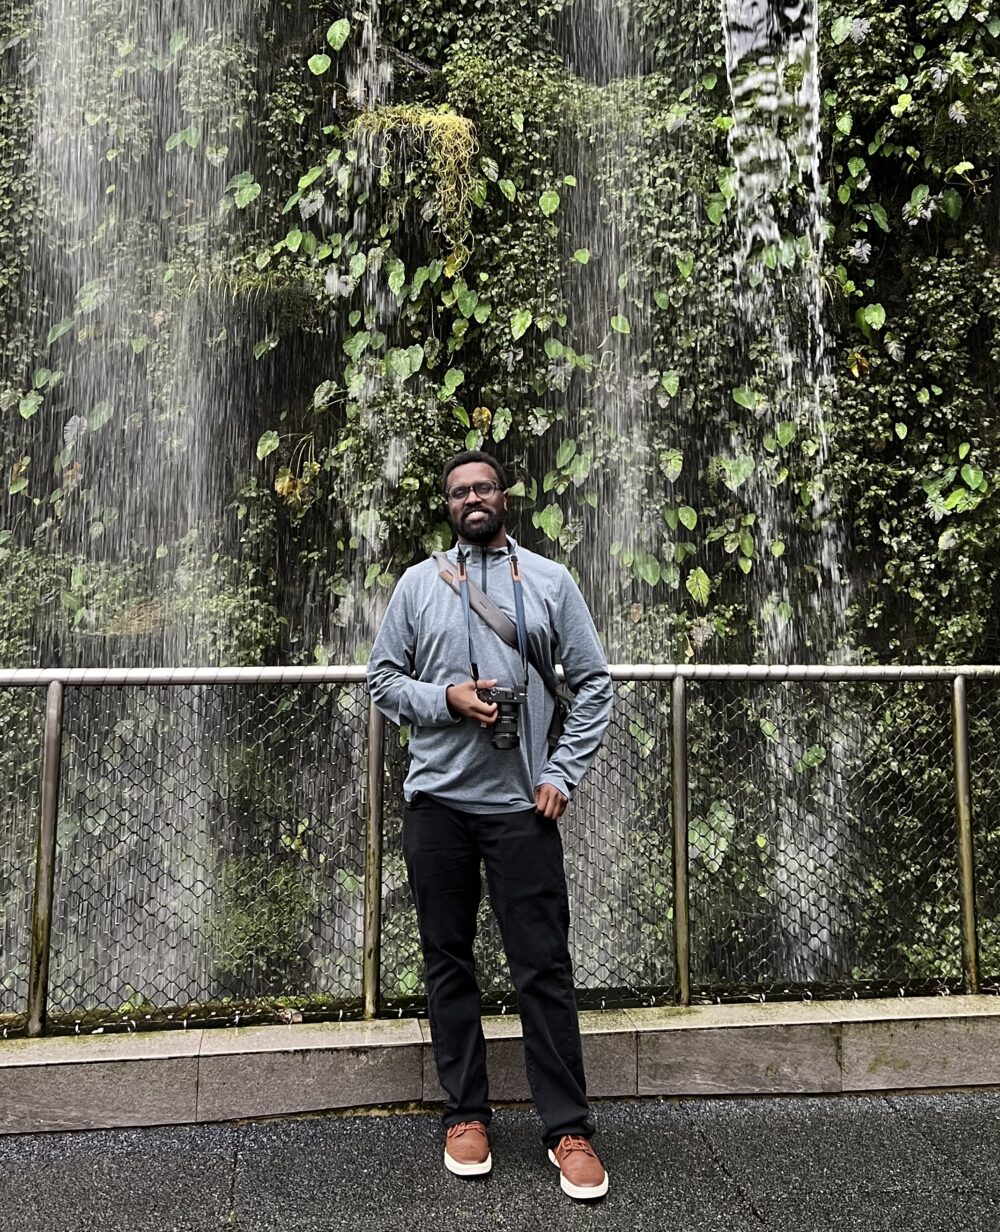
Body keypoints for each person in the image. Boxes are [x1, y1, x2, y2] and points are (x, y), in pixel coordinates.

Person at [367, 449, 614, 1201]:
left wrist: (560, 772)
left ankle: (568, 1129)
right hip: (437, 805)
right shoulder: (417, 584)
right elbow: (380, 679)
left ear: (504, 498)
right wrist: (446, 698)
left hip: (520, 810)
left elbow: (596, 682)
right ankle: (465, 1114)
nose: (473, 498)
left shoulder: (547, 581)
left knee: (543, 966)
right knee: (448, 961)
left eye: (484, 487)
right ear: (447, 507)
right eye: (458, 491)